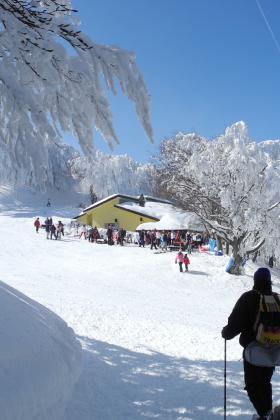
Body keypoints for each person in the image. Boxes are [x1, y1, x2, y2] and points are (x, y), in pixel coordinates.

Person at [222, 268, 277, 419]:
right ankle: (266, 413)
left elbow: (235, 323)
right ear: (269, 281)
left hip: (253, 350)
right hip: (273, 350)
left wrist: (226, 333)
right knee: (264, 383)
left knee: (253, 385)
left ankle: (265, 414)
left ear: (255, 281)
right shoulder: (277, 299)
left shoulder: (249, 297)